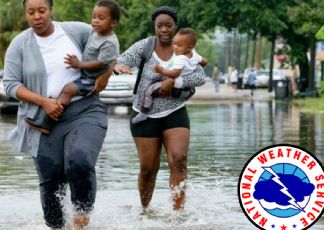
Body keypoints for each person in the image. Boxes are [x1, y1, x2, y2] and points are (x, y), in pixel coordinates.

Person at [3, 0, 114, 229]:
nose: (37, 17)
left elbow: (108, 50)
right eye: (31, 12)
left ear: (51, 10)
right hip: (44, 119)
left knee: (79, 161)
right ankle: (56, 227)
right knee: (50, 182)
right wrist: (43, 101)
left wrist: (104, 77)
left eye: (41, 11)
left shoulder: (77, 31)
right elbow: (11, 84)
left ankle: (82, 218)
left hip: (84, 110)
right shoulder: (20, 44)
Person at [114, 6, 206, 211]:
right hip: (144, 115)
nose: (164, 30)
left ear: (176, 27)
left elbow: (200, 77)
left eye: (169, 26)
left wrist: (174, 82)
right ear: (154, 27)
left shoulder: (185, 49)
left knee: (179, 159)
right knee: (148, 169)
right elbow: (120, 60)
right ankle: (145, 211)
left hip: (175, 112)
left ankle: (178, 214)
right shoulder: (144, 46)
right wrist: (118, 66)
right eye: (159, 26)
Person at [25, 0, 120, 134]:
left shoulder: (109, 42)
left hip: (91, 78)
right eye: (94, 17)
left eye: (101, 18)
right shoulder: (94, 32)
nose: (95, 21)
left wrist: (79, 65)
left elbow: (102, 63)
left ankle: (47, 122)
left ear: (113, 23)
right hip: (85, 74)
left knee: (67, 91)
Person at [131, 27, 208, 124]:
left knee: (149, 90)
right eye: (174, 43)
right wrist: (194, 64)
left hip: (172, 82)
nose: (175, 47)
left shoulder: (181, 58)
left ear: (189, 47)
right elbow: (204, 61)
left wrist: (162, 71)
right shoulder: (194, 55)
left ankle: (143, 113)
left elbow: (175, 73)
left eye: (179, 45)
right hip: (183, 88)